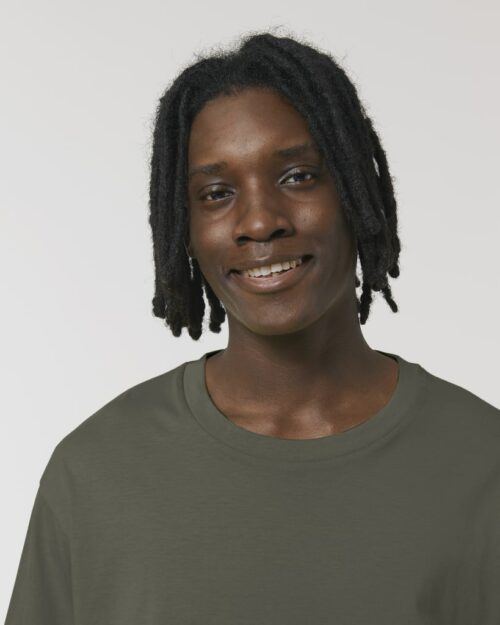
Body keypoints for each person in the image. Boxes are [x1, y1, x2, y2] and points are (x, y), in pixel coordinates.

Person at [5, 30, 500, 625]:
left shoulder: (482, 463)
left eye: (297, 177)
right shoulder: (96, 472)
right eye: (217, 193)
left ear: (356, 190)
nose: (260, 222)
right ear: (185, 229)